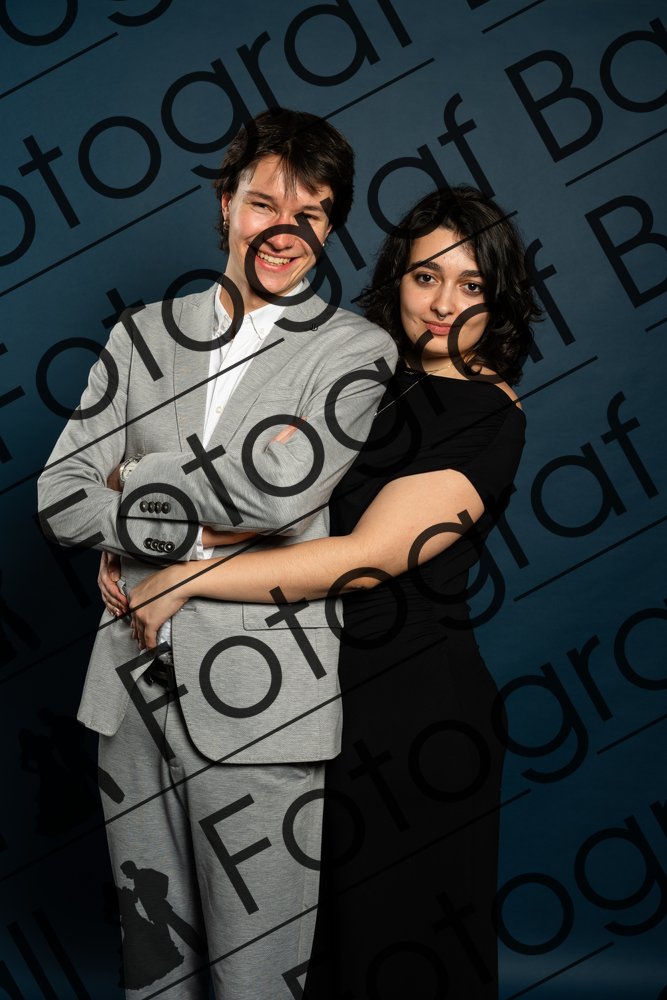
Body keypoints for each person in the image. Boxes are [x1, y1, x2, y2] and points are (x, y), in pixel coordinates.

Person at [104, 185, 541, 998]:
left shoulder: (487, 414)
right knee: (312, 959)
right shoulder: (358, 378)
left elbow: (365, 557)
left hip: (413, 712)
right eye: (425, 277)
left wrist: (186, 578)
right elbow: (268, 505)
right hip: (307, 700)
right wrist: (140, 542)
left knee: (400, 954)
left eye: (470, 284)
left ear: (499, 296)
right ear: (397, 279)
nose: (443, 304)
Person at [37, 108, 397, 1000]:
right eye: (264, 202)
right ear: (224, 204)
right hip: (127, 697)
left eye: (311, 213)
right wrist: (159, 514)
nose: (283, 229)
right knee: (153, 972)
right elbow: (60, 496)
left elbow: (275, 494)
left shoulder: (356, 350)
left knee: (257, 978)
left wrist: (130, 479)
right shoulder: (140, 336)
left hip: (264, 701)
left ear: (331, 228)